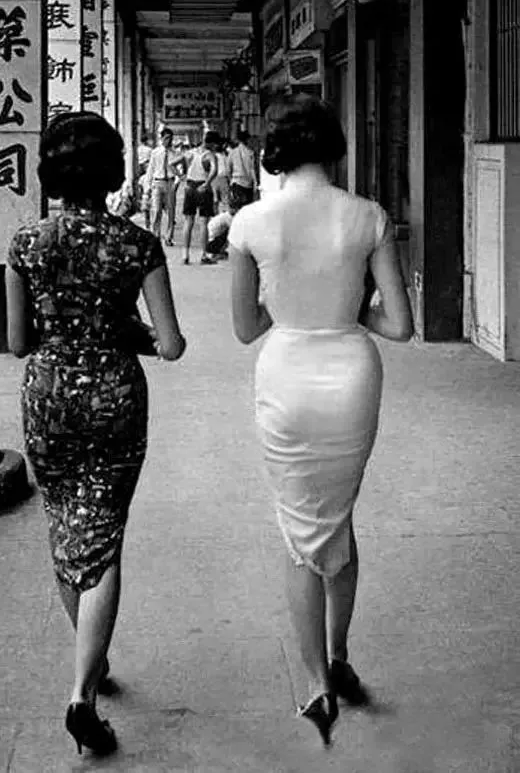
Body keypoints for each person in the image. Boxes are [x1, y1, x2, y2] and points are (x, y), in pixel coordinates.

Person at [228, 94, 412, 747]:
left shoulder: (250, 222)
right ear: (335, 146)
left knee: (298, 529)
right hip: (351, 377)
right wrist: (349, 309)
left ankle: (315, 684)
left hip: (286, 377)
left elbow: (246, 326)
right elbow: (400, 324)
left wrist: (291, 306)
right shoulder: (368, 217)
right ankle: (339, 654)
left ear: (275, 150)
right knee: (339, 517)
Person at [5, 111, 186, 757]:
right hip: (114, 400)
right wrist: (132, 331)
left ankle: (92, 654)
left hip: (49, 397)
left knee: (65, 527)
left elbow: (19, 341)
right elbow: (171, 344)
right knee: (104, 535)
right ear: (112, 173)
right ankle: (82, 692)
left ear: (50, 174)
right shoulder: (138, 245)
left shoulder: (26, 244)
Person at [182, 130, 220, 265]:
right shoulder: (209, 155)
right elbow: (214, 170)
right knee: (203, 223)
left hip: (190, 187)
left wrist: (183, 177)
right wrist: (207, 183)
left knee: (188, 221)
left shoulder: (190, 153)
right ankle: (203, 255)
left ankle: (185, 255)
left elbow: (173, 163)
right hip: (203, 188)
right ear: (212, 143)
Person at [142, 127, 178, 244]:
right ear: (161, 139)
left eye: (170, 138)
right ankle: (156, 236)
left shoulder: (175, 153)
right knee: (157, 210)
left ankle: (168, 237)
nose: (169, 141)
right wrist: (147, 188)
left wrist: (176, 183)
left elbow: (179, 170)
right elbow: (150, 170)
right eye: (166, 138)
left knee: (171, 212)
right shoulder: (155, 152)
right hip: (157, 183)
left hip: (170, 183)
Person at [227, 128, 258, 214]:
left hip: (236, 183)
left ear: (238, 140)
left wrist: (231, 181)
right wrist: (255, 183)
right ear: (247, 139)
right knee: (247, 211)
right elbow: (252, 169)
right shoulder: (251, 152)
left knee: (236, 210)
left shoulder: (232, 152)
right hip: (248, 184)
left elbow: (228, 170)